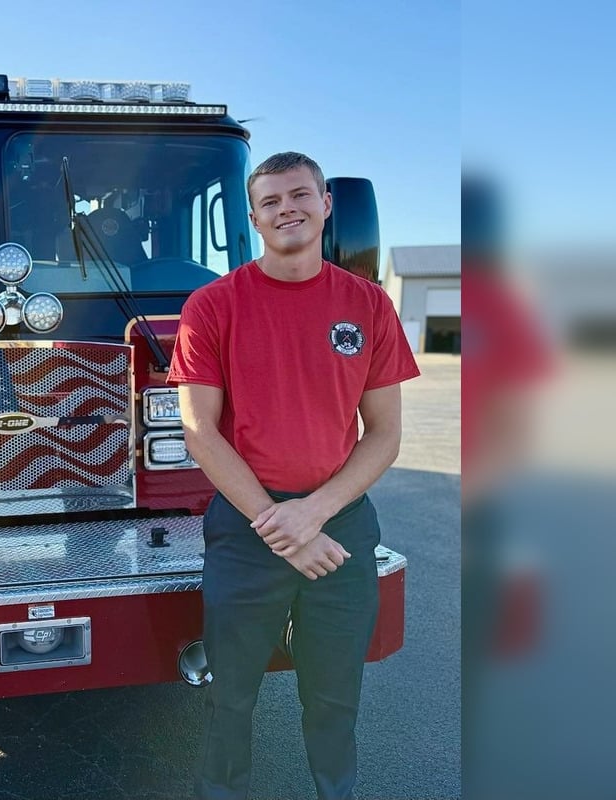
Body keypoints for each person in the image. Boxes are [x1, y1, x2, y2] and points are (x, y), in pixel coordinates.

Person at [167, 151, 420, 800]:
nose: (288, 209)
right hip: (249, 530)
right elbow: (202, 433)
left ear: (327, 205)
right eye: (272, 201)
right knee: (231, 698)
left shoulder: (368, 306)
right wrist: (284, 526)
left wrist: (313, 515)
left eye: (300, 195)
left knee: (335, 700)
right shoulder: (212, 307)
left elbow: (385, 434)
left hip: (341, 530)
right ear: (252, 218)